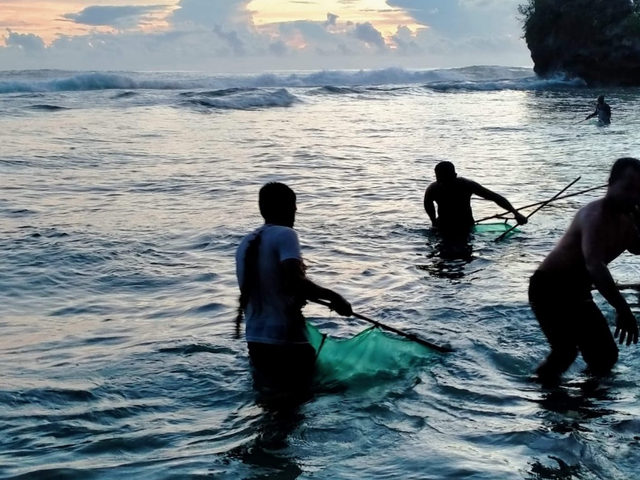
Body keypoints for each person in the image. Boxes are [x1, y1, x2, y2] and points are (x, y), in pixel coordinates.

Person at [529, 157, 640, 383]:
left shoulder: (629, 217)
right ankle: (540, 394)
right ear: (610, 183)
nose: (634, 196)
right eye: (628, 188)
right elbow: (594, 265)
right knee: (565, 353)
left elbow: (636, 248)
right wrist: (623, 308)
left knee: (606, 357)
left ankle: (587, 404)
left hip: (578, 291)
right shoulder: (595, 216)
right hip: (549, 287)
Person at [236, 182, 352, 392]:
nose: (296, 211)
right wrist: (335, 298)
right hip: (286, 340)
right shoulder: (286, 235)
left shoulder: (245, 243)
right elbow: (295, 282)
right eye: (293, 205)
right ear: (285, 207)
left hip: (256, 341)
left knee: (270, 405)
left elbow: (272, 288)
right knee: (298, 407)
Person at [423, 161, 528, 237]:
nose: (443, 183)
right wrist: (433, 221)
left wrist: (516, 213)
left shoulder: (467, 185)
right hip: (443, 226)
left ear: (454, 175)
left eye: (446, 179)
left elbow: (495, 197)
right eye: (439, 179)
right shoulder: (433, 189)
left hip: (466, 225)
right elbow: (428, 204)